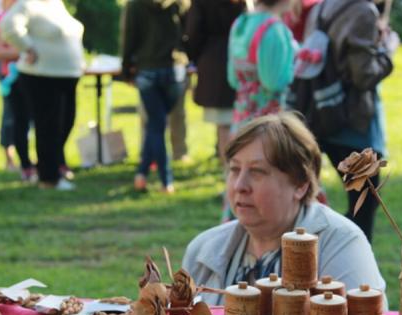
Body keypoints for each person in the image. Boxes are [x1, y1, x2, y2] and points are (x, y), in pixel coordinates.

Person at [182, 113, 387, 307]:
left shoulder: (341, 244)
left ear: (300, 184)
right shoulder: (203, 251)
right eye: (235, 169)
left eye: (257, 172)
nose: (239, 186)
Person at [303, 0, 394, 243]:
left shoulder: (323, 6)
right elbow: (364, 75)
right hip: (352, 124)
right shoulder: (363, 11)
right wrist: (387, 50)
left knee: (361, 203)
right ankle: (348, 260)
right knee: (364, 205)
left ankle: (333, 252)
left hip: (325, 115)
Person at [0, 0, 85, 190]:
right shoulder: (28, 4)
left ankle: (48, 167)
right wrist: (28, 47)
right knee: (49, 126)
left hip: (66, 75)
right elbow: (8, 25)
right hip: (41, 75)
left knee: (65, 123)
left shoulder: (56, 4)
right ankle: (49, 178)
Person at [120, 0, 189, 194]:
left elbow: (129, 36)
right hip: (174, 69)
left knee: (155, 125)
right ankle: (142, 174)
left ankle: (165, 180)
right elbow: (188, 32)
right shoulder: (180, 2)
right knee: (156, 123)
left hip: (148, 69)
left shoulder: (135, 5)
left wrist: (126, 68)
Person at [185, 0, 244, 160]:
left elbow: (193, 31)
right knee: (234, 119)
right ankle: (230, 162)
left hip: (213, 57)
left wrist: (196, 56)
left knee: (224, 122)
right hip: (238, 55)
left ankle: (228, 163)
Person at [227, 0, 295, 132]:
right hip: (268, 125)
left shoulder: (240, 23)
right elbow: (273, 82)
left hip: (241, 120)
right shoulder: (274, 29)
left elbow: (233, 79)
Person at [0, 0, 35, 182]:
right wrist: (25, 51)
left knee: (33, 118)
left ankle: (35, 160)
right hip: (12, 77)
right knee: (13, 118)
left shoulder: (31, 19)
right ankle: (14, 160)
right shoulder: (1, 20)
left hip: (32, 74)